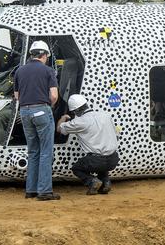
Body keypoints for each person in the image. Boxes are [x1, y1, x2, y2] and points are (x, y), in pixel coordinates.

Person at [14, 40, 60, 200]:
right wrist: (49, 106)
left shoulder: (20, 71)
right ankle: (45, 191)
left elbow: (17, 96)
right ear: (44, 55)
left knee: (33, 151)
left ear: (32, 54)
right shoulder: (48, 71)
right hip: (42, 110)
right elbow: (54, 95)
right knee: (46, 152)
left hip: (24, 112)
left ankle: (31, 190)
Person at [57, 93, 119, 195]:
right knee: (103, 159)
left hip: (97, 161)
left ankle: (92, 181)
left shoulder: (79, 122)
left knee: (77, 168)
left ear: (75, 111)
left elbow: (60, 129)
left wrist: (63, 118)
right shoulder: (105, 115)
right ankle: (105, 182)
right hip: (113, 158)